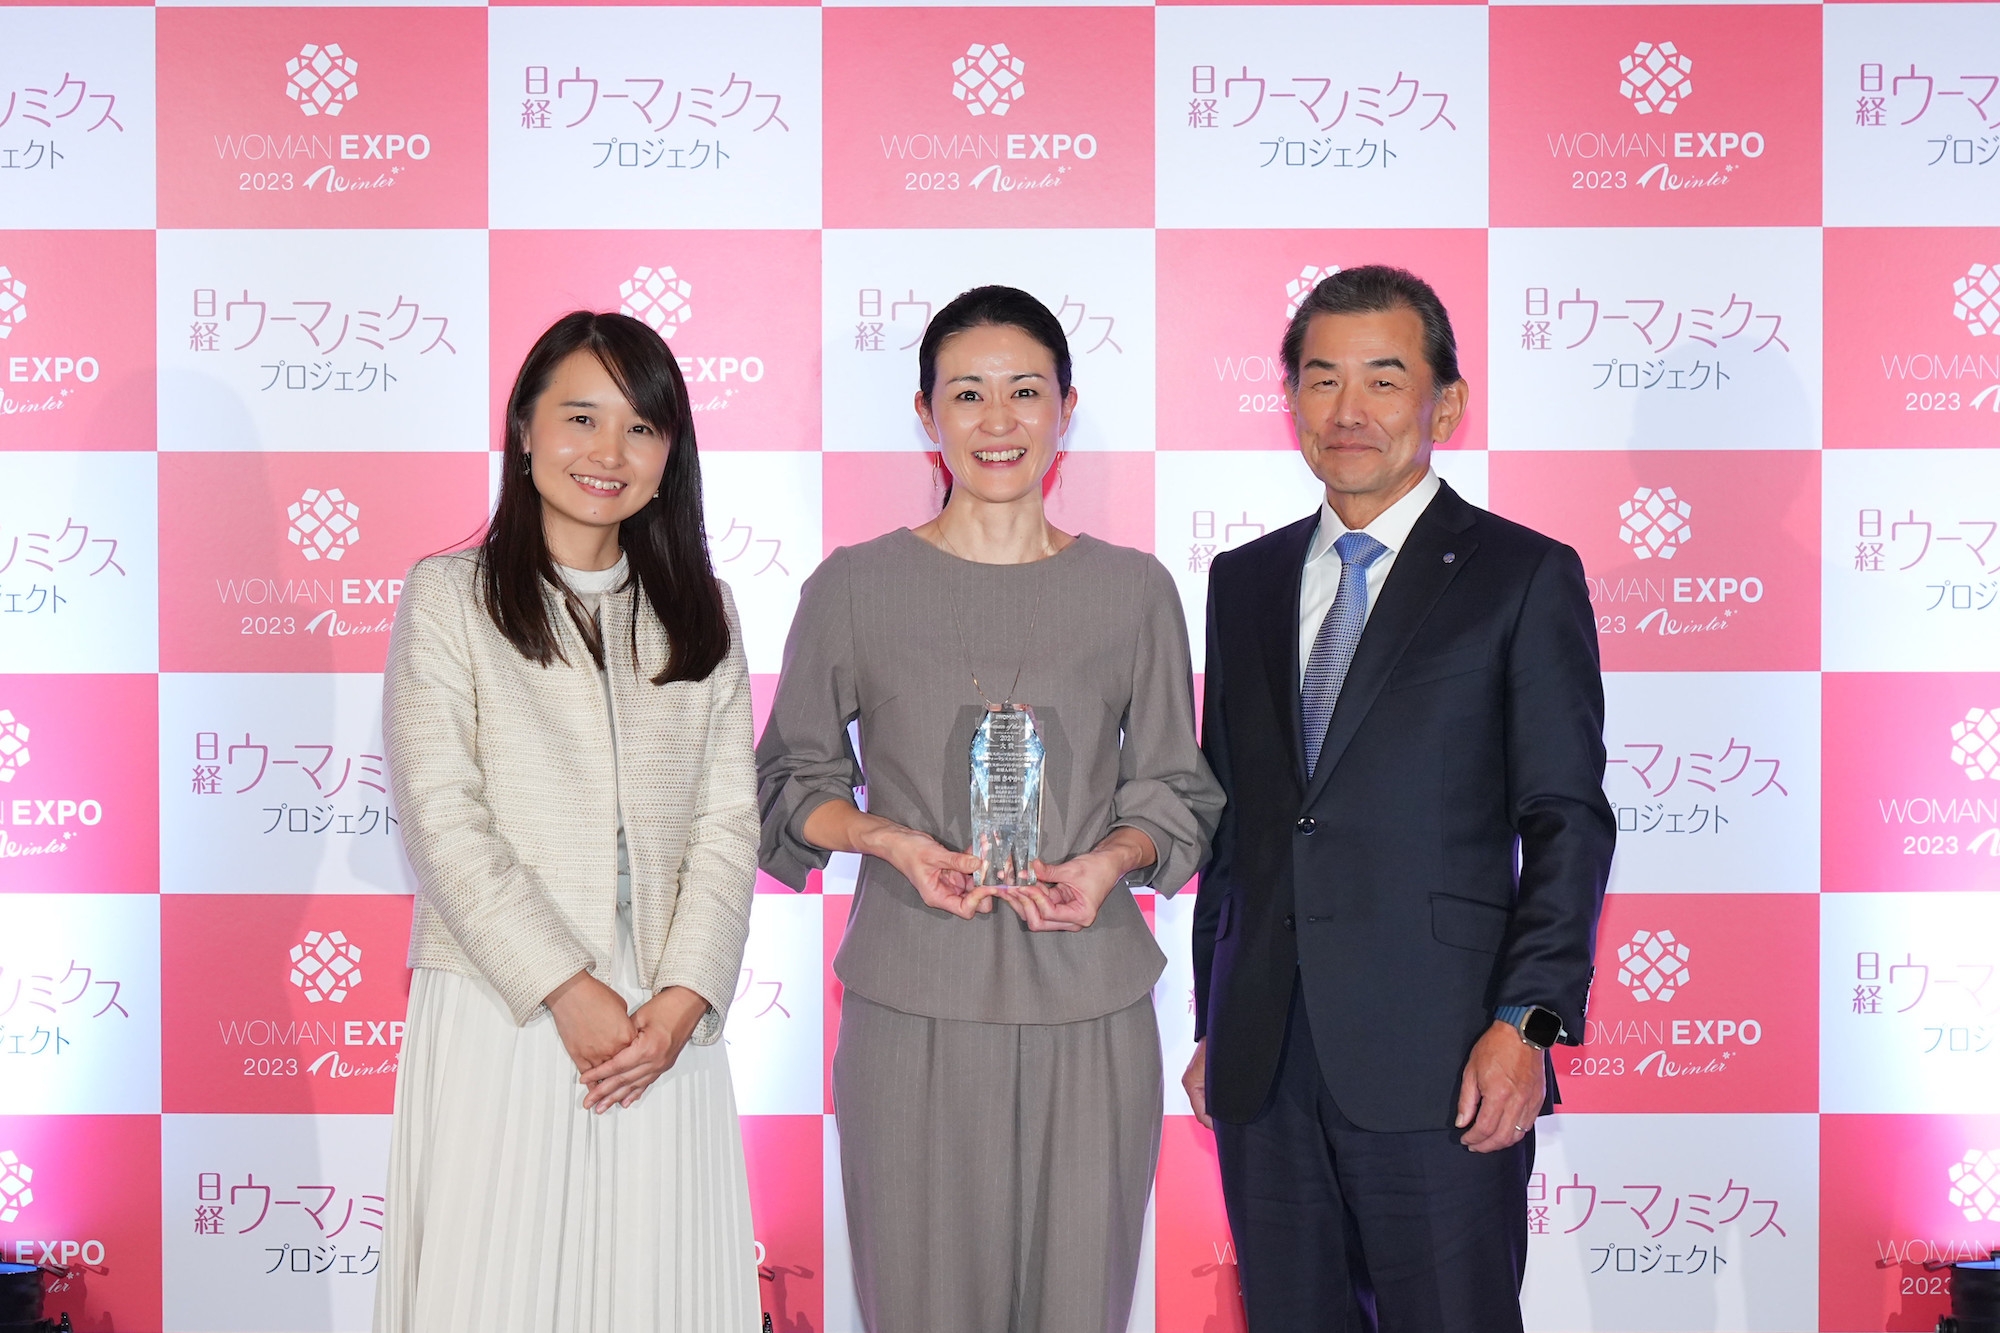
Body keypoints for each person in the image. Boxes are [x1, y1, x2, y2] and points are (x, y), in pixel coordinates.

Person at [757, 285, 1223, 1333]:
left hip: (1089, 998)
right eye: (967, 393)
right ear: (926, 413)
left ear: (1065, 407)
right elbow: (789, 780)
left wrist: (1110, 860)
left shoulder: (1134, 589)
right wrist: (888, 839)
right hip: (910, 995)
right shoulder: (853, 585)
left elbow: (1174, 787)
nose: (997, 420)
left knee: (1079, 1302)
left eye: (1024, 390)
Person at [1184, 266, 1615, 1332]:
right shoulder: (1242, 581)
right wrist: (1214, 1018)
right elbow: (1234, 828)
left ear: (1445, 403)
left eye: (1383, 378)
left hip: (1446, 1058)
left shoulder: (1520, 573)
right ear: (1290, 399)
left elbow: (1565, 818)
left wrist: (1525, 1022)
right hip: (1264, 1063)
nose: (1348, 409)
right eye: (1320, 378)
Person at [374, 311, 761, 1333]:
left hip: (663, 1020)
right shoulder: (449, 597)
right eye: (581, 417)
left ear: (669, 455)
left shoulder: (705, 610)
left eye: (641, 427)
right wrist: (564, 985)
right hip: (505, 999)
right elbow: (441, 815)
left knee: (657, 1287)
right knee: (493, 1286)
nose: (608, 452)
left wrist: (682, 1001)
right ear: (524, 428)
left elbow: (730, 823)